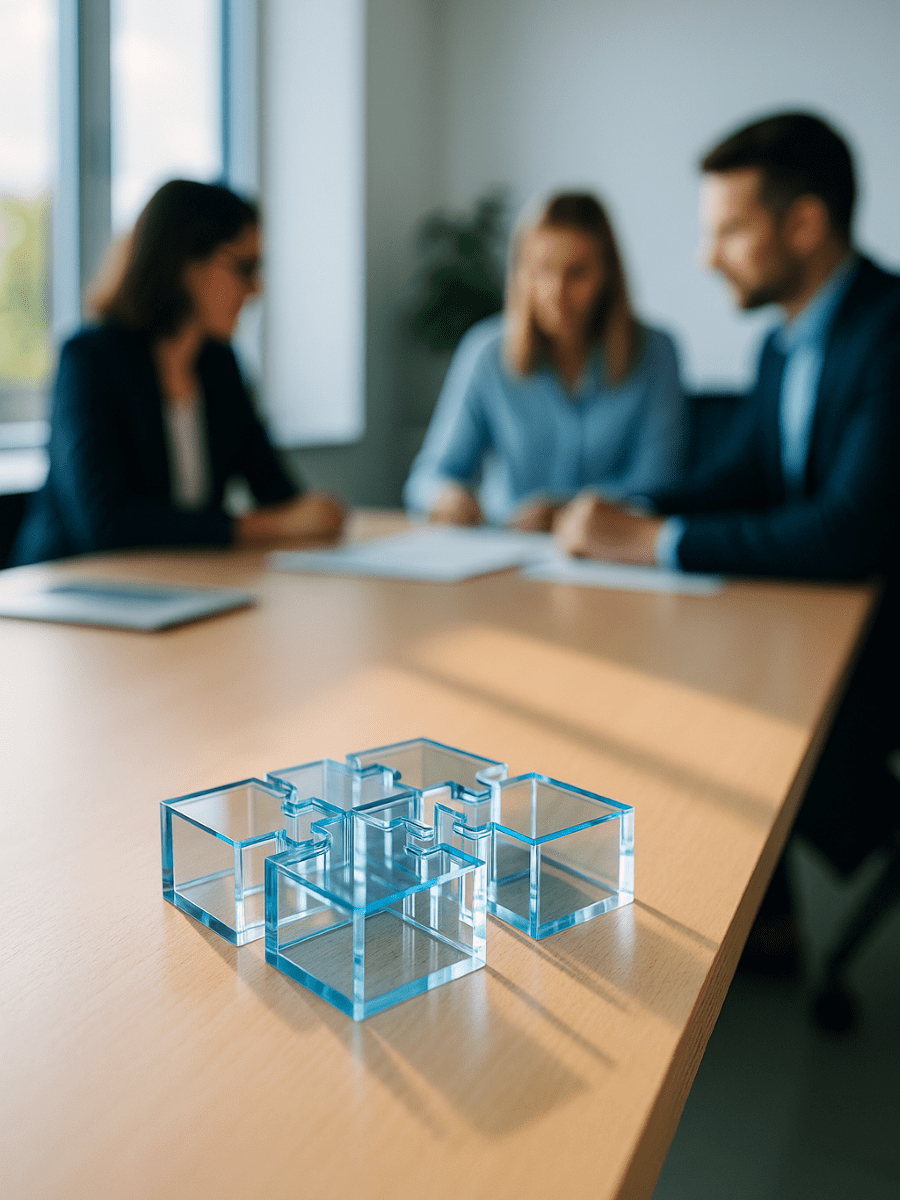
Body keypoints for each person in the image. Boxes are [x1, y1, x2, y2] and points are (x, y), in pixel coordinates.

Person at [555, 112, 900, 960]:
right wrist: (619, 509)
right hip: (826, 621)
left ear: (805, 224)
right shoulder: (785, 345)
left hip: (883, 641)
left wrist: (652, 543)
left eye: (729, 232)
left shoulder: (890, 331)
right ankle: (764, 924)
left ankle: (734, 924)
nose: (710, 258)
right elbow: (734, 480)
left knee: (714, 703)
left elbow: (846, 532)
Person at [11, 179, 345, 566]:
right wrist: (261, 527)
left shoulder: (219, 365)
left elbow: (277, 494)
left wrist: (310, 514)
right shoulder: (89, 361)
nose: (255, 289)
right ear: (187, 263)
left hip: (179, 583)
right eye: (245, 268)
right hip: (72, 591)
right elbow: (106, 526)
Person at [403, 192, 686, 531]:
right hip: (508, 550)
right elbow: (430, 476)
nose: (556, 291)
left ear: (607, 275)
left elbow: (657, 485)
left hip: (613, 553)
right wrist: (446, 497)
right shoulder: (487, 353)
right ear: (520, 274)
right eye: (542, 271)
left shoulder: (656, 352)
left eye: (577, 273)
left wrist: (563, 512)